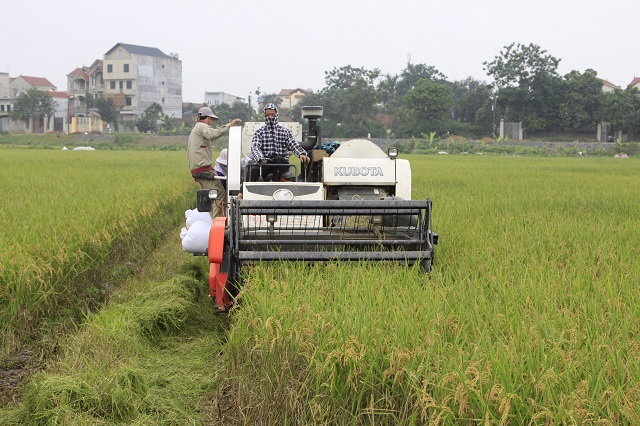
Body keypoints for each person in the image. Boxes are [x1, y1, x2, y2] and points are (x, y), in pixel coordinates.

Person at [188, 106, 241, 218]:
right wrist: (229, 125)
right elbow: (213, 134)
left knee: (212, 196)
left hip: (198, 169)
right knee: (220, 193)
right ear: (206, 118)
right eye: (211, 119)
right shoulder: (202, 126)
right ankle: (218, 222)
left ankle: (215, 220)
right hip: (204, 169)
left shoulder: (196, 129)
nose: (211, 122)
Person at [250, 103, 310, 181]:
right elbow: (255, 147)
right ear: (264, 116)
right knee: (253, 170)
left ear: (276, 115)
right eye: (268, 115)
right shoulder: (259, 132)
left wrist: (301, 154)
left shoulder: (285, 131)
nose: (270, 117)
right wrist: (259, 158)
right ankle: (241, 193)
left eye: (272, 114)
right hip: (266, 162)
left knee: (277, 159)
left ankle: (275, 184)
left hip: (281, 163)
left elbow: (293, 144)